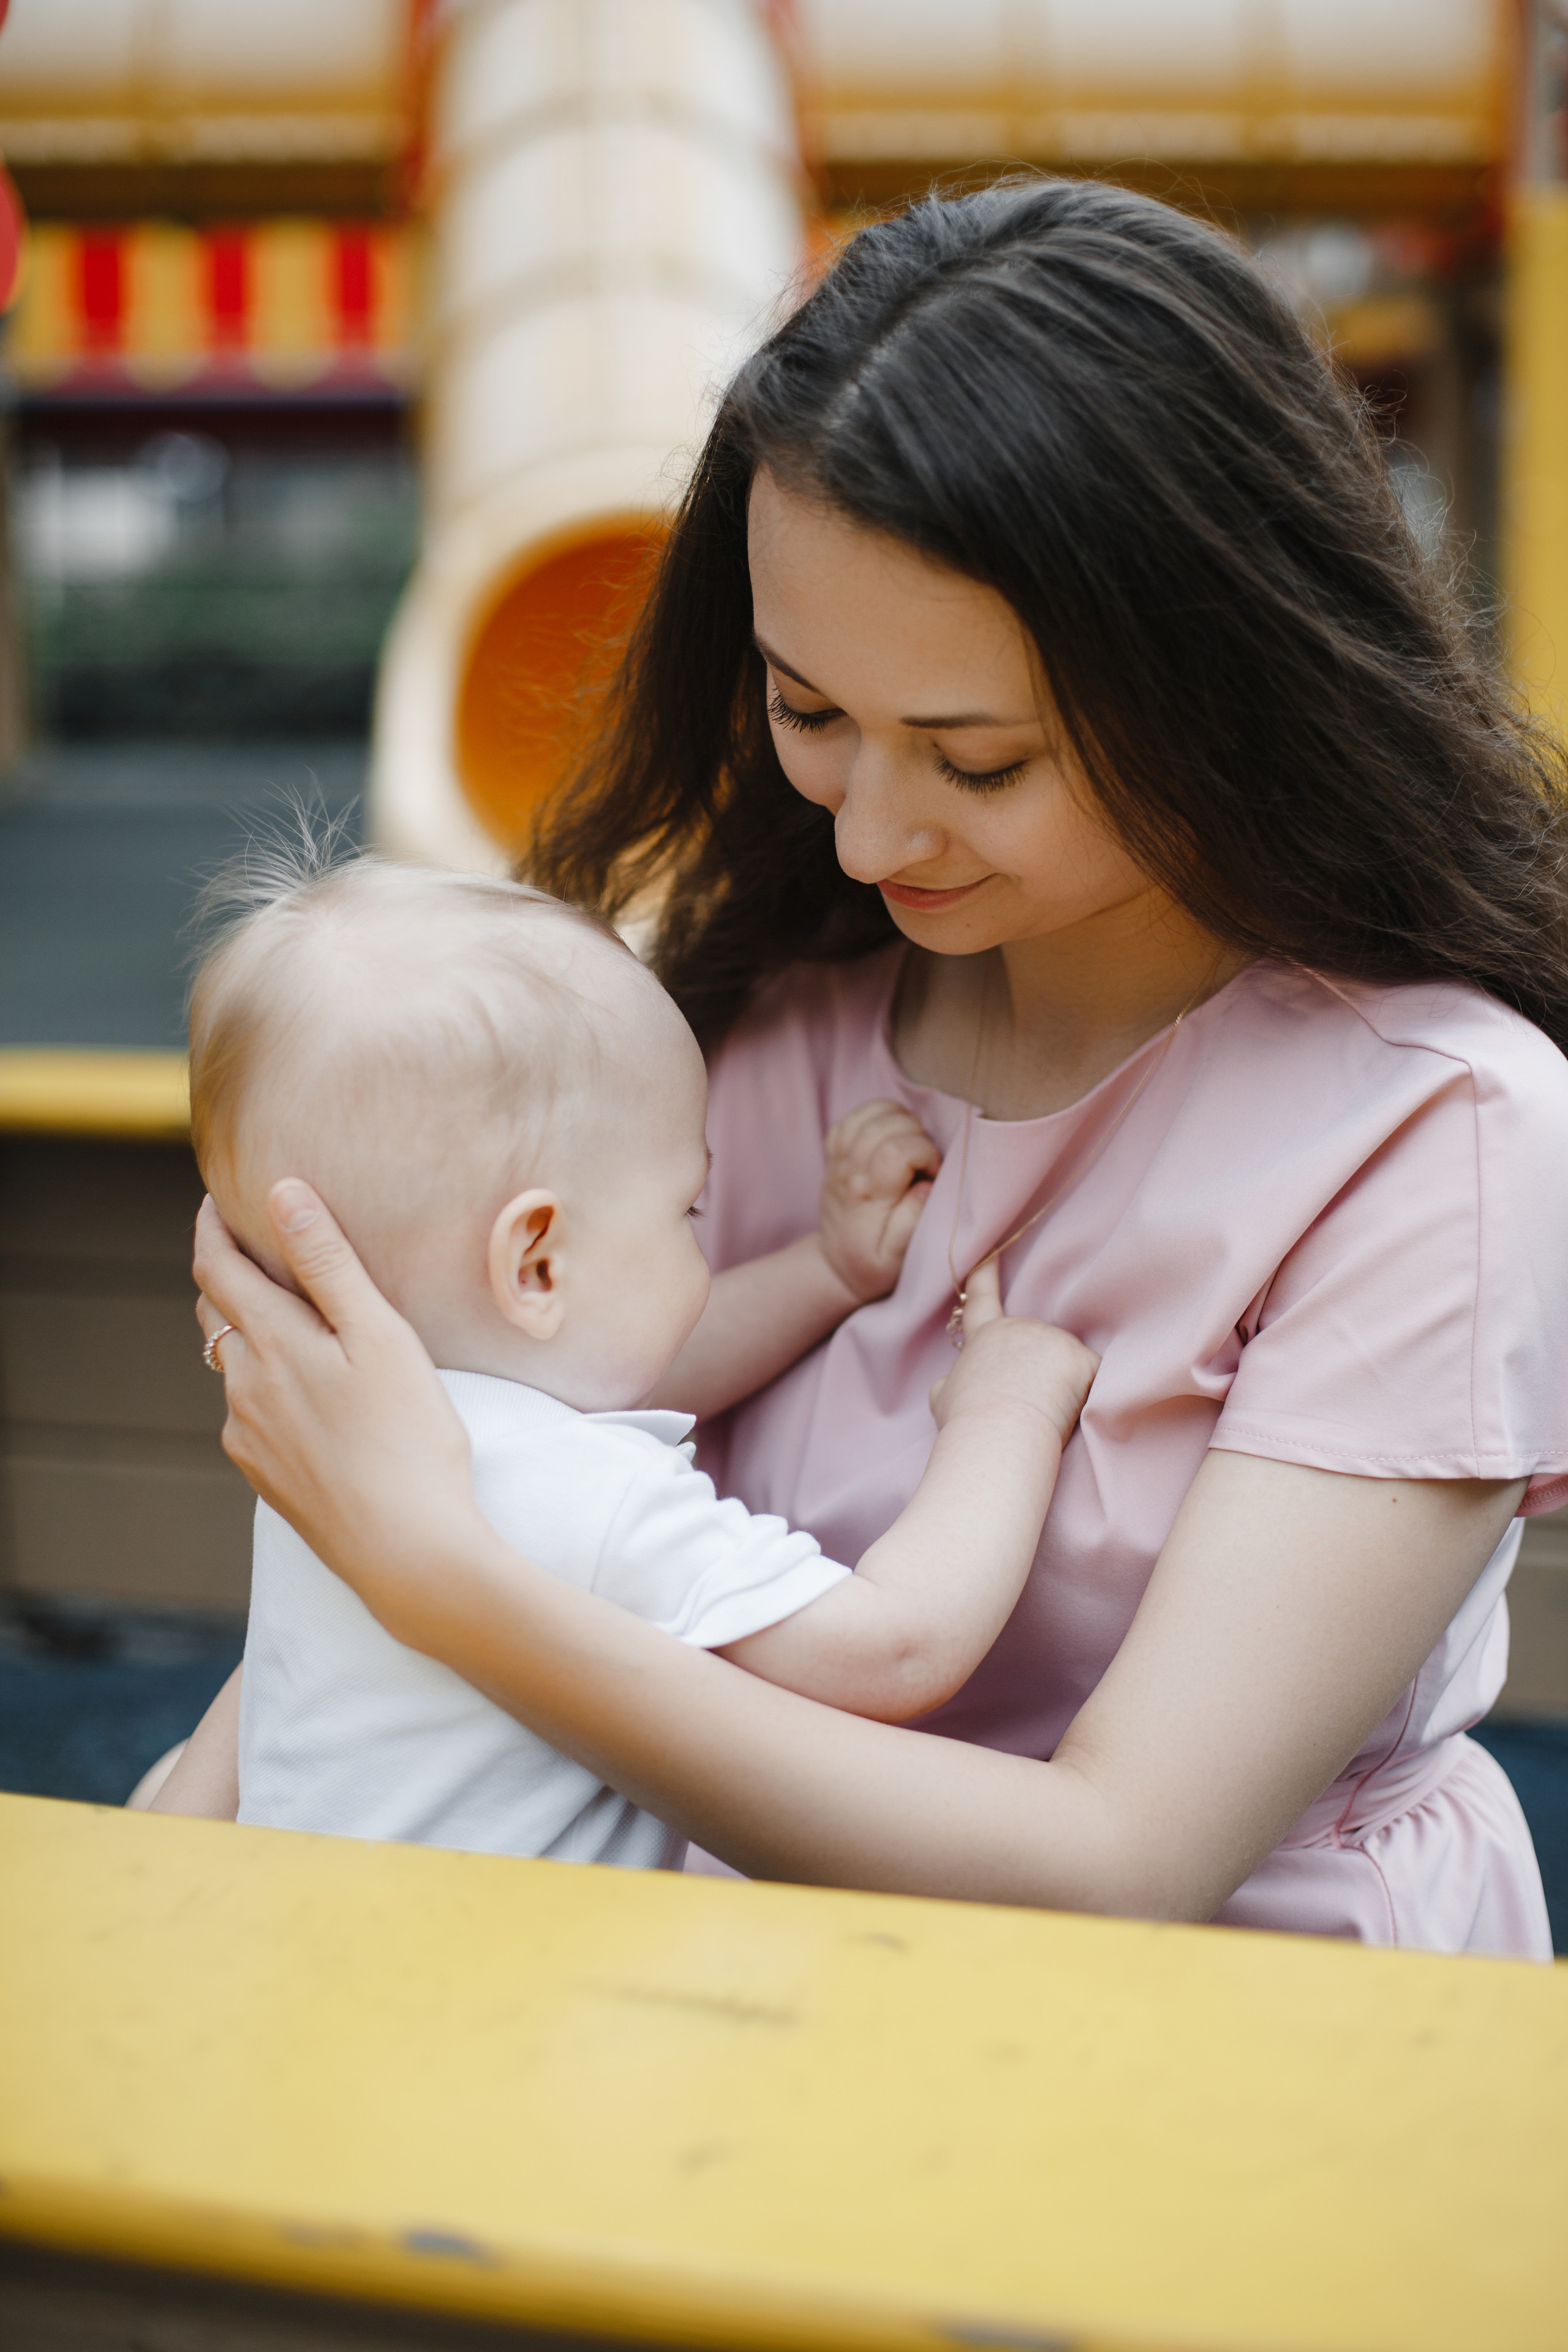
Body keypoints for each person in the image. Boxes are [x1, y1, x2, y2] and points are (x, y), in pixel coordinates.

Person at [169, 177, 1568, 1958]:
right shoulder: (754, 1028)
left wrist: (433, 1577)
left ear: (1223, 687)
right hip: (732, 1997)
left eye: (976, 762)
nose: (864, 835)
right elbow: (483, 1484)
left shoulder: (1437, 1132)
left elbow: (1116, 1864)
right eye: (807, 712)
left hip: (1236, 2026)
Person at [175, 851, 1094, 1859]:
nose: (699, 1238)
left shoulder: (333, 1453)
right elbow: (897, 1650)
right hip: (483, 1962)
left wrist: (829, 1272)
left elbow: (631, 1368)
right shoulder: (591, 1493)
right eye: (685, 1209)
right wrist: (1006, 1407)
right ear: (536, 1264)